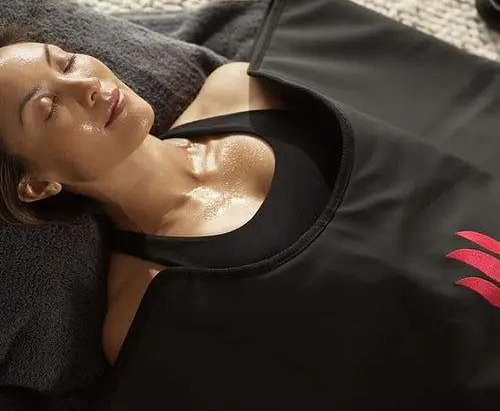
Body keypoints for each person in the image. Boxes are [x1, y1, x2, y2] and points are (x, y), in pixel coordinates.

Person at [0, 30, 338, 367]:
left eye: (67, 62)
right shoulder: (144, 312)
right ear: (38, 185)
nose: (87, 84)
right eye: (48, 108)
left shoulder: (236, 90)